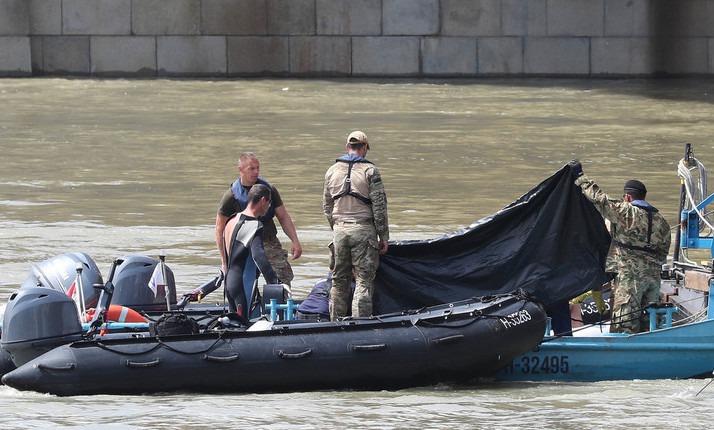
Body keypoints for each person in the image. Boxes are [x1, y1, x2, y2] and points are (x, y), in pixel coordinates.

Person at [569, 160, 671, 334]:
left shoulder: (626, 212)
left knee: (625, 324)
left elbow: (600, 199)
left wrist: (580, 177)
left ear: (628, 197)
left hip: (629, 279)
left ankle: (623, 358)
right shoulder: (661, 221)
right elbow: (664, 252)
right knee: (649, 323)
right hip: (653, 280)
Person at [323, 131, 389, 320]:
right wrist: (383, 236)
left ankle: (334, 324)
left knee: (338, 282)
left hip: (339, 232)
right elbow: (379, 207)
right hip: (364, 231)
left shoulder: (331, 171)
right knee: (363, 282)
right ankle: (359, 327)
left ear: (347, 147)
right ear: (365, 148)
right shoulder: (370, 172)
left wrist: (336, 228)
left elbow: (327, 207)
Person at [216, 152, 302, 285]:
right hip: (243, 244)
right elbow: (220, 228)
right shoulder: (231, 196)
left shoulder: (269, 190)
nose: (256, 172)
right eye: (251, 168)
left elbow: (283, 217)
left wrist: (295, 241)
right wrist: (224, 261)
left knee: (282, 278)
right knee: (243, 280)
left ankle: (281, 303)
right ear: (241, 169)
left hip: (268, 242)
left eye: (258, 168)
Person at [223, 184, 280, 324]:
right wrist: (275, 282)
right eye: (269, 202)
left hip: (229, 281)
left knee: (234, 324)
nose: (269, 206)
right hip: (241, 283)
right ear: (263, 200)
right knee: (243, 324)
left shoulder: (232, 219)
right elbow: (259, 256)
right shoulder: (255, 225)